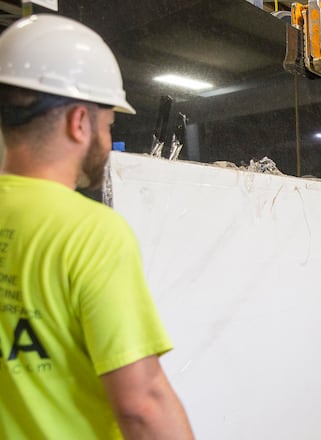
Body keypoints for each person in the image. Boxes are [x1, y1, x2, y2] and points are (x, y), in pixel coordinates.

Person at [0, 14, 193, 439]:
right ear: (79, 122)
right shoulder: (89, 233)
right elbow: (142, 405)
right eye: (108, 126)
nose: (106, 141)